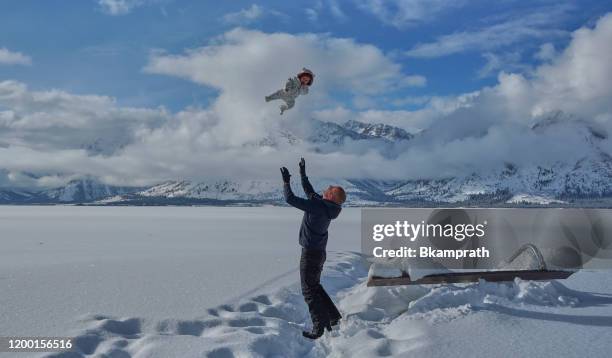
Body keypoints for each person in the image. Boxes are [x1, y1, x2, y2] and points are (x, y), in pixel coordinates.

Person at [280, 158, 346, 340]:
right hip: (318, 253)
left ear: (331, 196)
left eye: (328, 190)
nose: (324, 191)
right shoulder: (327, 207)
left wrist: (286, 182)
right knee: (315, 286)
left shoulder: (319, 206)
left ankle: (319, 327)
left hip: (310, 254)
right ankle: (333, 317)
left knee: (309, 291)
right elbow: (310, 192)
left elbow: (290, 198)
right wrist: (302, 174)